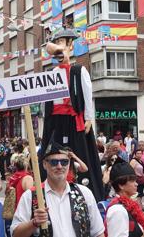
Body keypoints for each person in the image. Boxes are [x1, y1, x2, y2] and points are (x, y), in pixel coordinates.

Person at [40, 29, 104, 201]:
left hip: (75, 119)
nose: (60, 48)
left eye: (63, 43)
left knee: (82, 153)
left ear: (70, 46)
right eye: (58, 43)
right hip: (56, 120)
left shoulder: (78, 70)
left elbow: (87, 93)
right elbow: (45, 100)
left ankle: (87, 190)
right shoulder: (52, 74)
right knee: (51, 152)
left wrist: (89, 117)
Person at [11, 142, 104, 237]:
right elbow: (15, 234)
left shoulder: (85, 193)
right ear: (44, 164)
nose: (59, 166)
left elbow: (98, 233)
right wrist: (33, 223)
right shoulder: (30, 196)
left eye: (64, 162)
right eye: (54, 162)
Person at [105, 156, 144, 237]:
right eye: (132, 181)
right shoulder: (118, 210)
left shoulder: (127, 206)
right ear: (121, 185)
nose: (136, 184)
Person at [5, 154, 33, 237]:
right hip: (23, 215)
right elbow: (31, 198)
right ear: (26, 165)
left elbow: (6, 193)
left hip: (12, 214)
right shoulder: (27, 178)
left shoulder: (12, 177)